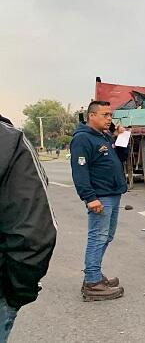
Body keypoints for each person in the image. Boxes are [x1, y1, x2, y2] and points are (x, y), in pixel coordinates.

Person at [0, 114, 57, 342]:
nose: (108, 119)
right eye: (104, 115)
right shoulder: (9, 141)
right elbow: (33, 236)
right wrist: (15, 296)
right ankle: (92, 279)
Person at [70, 101, 128, 301]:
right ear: (91, 116)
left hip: (112, 192)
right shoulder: (83, 139)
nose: (109, 119)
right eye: (105, 115)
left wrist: (122, 138)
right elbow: (80, 172)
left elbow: (121, 158)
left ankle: (94, 275)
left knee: (107, 236)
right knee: (98, 237)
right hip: (100, 196)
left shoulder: (103, 136)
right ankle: (93, 283)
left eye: (110, 115)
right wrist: (89, 198)